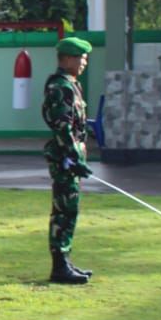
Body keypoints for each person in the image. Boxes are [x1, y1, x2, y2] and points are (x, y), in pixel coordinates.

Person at [43, 37, 95, 285]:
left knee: (69, 209)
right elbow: (62, 126)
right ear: (69, 59)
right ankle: (59, 266)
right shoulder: (60, 87)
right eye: (82, 58)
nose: (84, 63)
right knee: (65, 209)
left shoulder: (71, 85)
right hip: (64, 157)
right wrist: (73, 156)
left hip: (71, 155)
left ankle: (65, 260)